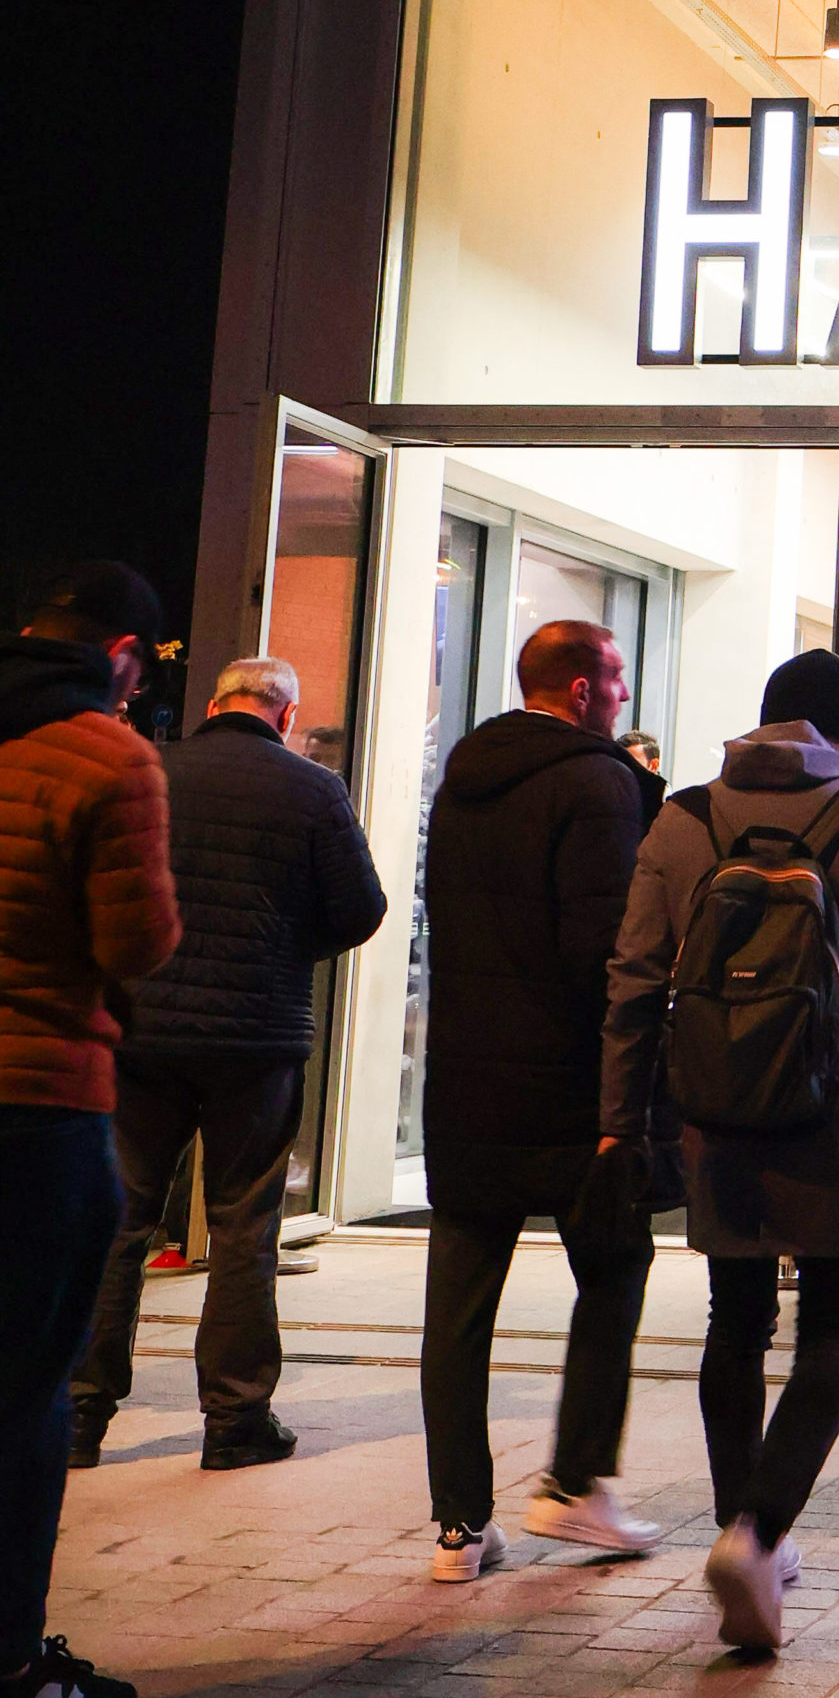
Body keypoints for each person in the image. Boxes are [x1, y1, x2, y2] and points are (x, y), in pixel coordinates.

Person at [602, 649, 839, 1653]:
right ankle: (758, 1533)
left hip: (718, 1114)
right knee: (834, 1326)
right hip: (835, 1117)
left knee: (736, 1320)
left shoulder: (684, 818)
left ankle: (737, 1525)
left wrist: (620, 1118)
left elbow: (633, 978)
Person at [71, 656, 387, 1472]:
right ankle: (235, 1420)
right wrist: (286, 950)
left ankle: (79, 1416)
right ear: (287, 716)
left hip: (144, 1031)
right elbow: (362, 909)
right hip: (258, 1036)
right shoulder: (314, 789)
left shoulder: (152, 770)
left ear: (214, 706)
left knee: (120, 1219)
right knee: (245, 1224)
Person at [417, 618, 666, 1584]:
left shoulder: (465, 779)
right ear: (580, 690)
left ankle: (458, 1525)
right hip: (565, 1087)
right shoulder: (597, 783)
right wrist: (626, 1093)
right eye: (616, 679)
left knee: (458, 1308)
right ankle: (574, 1484)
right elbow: (602, 952)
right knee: (616, 1267)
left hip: (467, 1082)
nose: (624, 696)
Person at [0, 565, 176, 1698]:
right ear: (121, 657)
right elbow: (134, 943)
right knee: (25, 1391)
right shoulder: (107, 755)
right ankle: (15, 1659)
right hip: (39, 1105)